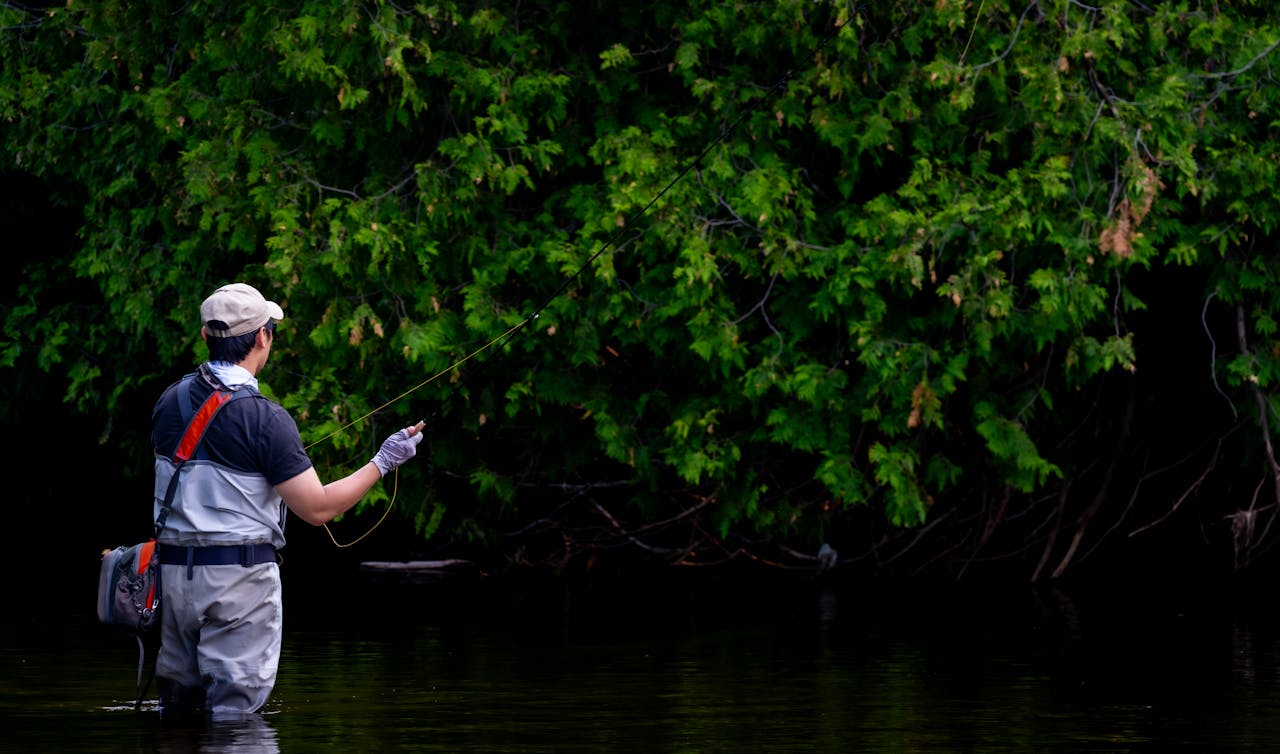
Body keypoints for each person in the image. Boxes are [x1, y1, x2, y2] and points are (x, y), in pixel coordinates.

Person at [150, 282, 423, 719]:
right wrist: (383, 461)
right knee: (234, 720)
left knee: (179, 715)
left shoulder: (170, 402)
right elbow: (317, 509)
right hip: (236, 585)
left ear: (206, 336)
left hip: (173, 581)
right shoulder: (265, 418)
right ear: (262, 337)